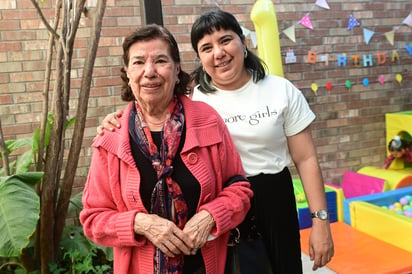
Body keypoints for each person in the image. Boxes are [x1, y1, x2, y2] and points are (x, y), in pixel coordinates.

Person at [98, 10, 334, 273]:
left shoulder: (280, 91)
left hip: (272, 195)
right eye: (206, 47)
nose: (218, 53)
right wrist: (116, 120)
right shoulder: (193, 101)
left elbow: (306, 158)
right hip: (220, 204)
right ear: (199, 58)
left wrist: (320, 220)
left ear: (243, 42)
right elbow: (149, 108)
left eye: (225, 40)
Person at [80, 24, 252, 274]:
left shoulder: (207, 120)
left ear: (176, 67)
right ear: (127, 72)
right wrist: (140, 223)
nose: (149, 72)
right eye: (138, 62)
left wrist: (212, 215)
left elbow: (240, 189)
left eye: (161, 60)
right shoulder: (112, 138)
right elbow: (93, 219)